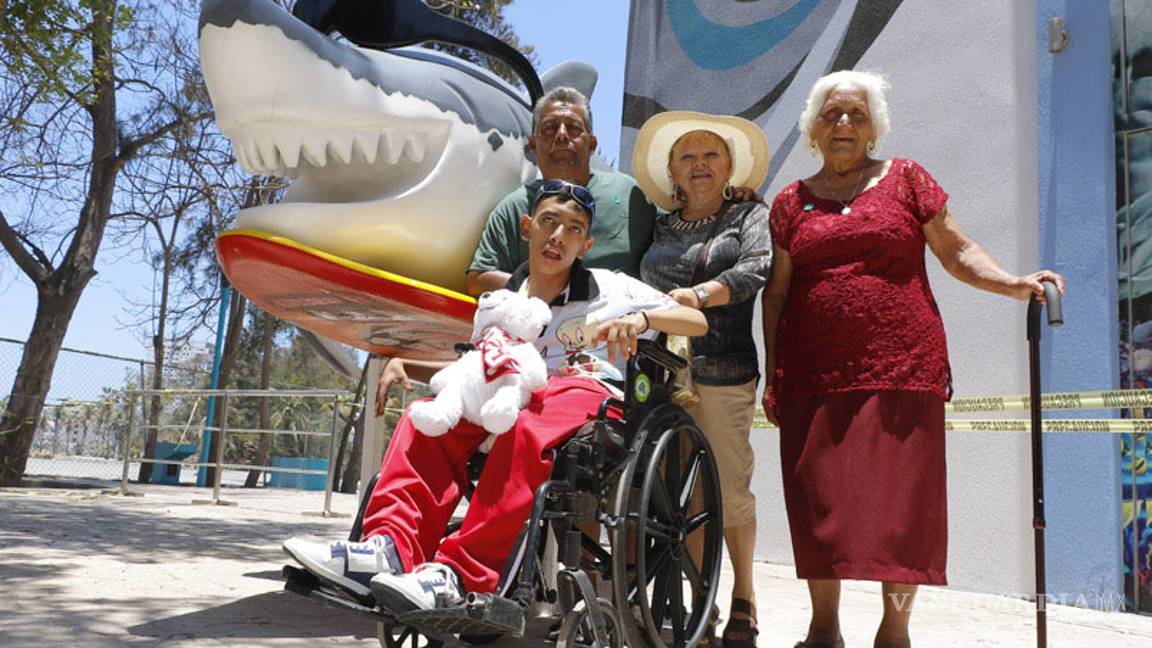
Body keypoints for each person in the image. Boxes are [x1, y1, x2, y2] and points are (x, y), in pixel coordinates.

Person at [283, 181, 707, 615]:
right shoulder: (501, 304)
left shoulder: (611, 287)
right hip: (513, 395)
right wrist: (408, 366)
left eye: (574, 229)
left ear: (586, 244)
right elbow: (478, 368)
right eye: (549, 222)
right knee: (425, 418)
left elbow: (695, 320)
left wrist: (640, 318)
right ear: (528, 227)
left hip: (586, 393)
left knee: (525, 423)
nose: (559, 235)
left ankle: (460, 576)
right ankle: (388, 549)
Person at [760, 70, 1065, 648]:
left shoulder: (907, 180)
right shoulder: (789, 203)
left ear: (874, 127)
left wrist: (1013, 282)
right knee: (818, 505)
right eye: (831, 115)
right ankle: (824, 628)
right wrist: (774, 375)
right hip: (812, 374)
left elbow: (957, 251)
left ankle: (894, 630)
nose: (843, 124)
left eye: (855, 114)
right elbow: (776, 294)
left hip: (902, 365)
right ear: (813, 130)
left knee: (901, 511)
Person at [632, 111, 772, 648]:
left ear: (730, 165)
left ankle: (744, 596)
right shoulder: (660, 227)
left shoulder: (747, 217)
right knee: (678, 499)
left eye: (710, 154)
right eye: (687, 156)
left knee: (729, 489)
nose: (699, 165)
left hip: (723, 374)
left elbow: (755, 269)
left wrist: (699, 295)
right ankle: (700, 600)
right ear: (671, 169)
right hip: (660, 377)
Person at [467, 86, 656, 294]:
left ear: (592, 144)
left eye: (574, 128)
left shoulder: (630, 193)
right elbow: (478, 279)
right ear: (532, 144)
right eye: (549, 128)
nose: (562, 136)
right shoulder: (514, 207)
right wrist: (547, 289)